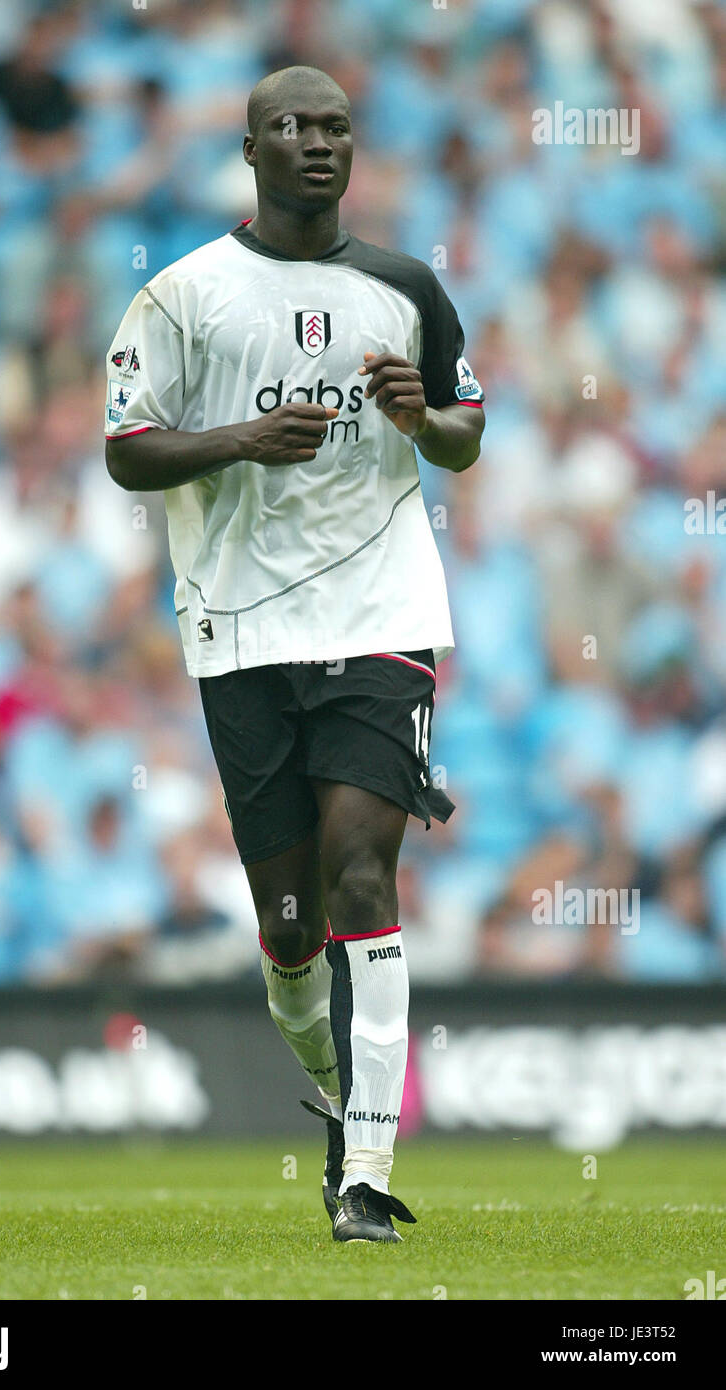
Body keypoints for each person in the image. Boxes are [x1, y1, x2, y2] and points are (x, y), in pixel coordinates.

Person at [105, 65, 484, 1243]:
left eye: (334, 128)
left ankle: (365, 1170)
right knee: (287, 925)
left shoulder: (403, 285)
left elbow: (467, 433)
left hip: (380, 616)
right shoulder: (181, 296)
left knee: (365, 880)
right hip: (240, 629)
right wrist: (239, 441)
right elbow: (127, 450)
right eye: (292, 128)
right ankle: (333, 1102)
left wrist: (426, 422)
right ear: (249, 146)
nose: (317, 144)